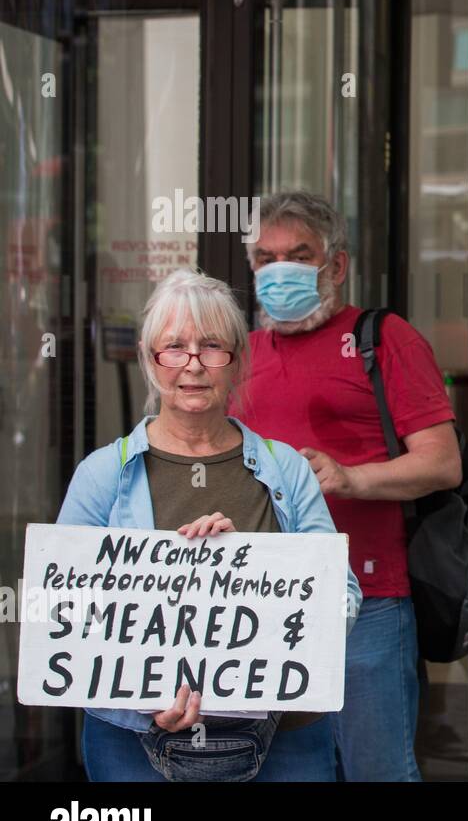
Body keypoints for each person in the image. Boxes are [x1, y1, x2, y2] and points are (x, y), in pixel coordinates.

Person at [56, 268, 362, 781]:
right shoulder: (103, 473)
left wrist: (247, 568)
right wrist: (140, 698)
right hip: (131, 741)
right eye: (174, 347)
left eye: (212, 346)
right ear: (150, 360)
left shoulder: (284, 467)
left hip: (285, 735)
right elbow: (64, 608)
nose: (193, 365)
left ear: (238, 360)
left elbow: (344, 597)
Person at [230, 191, 461, 782]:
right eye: (264, 258)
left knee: (376, 771)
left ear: (335, 265)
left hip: (369, 601)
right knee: (283, 772)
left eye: (298, 255)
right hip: (264, 603)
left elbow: (441, 464)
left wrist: (350, 477)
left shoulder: (383, 338)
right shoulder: (239, 353)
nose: (278, 270)